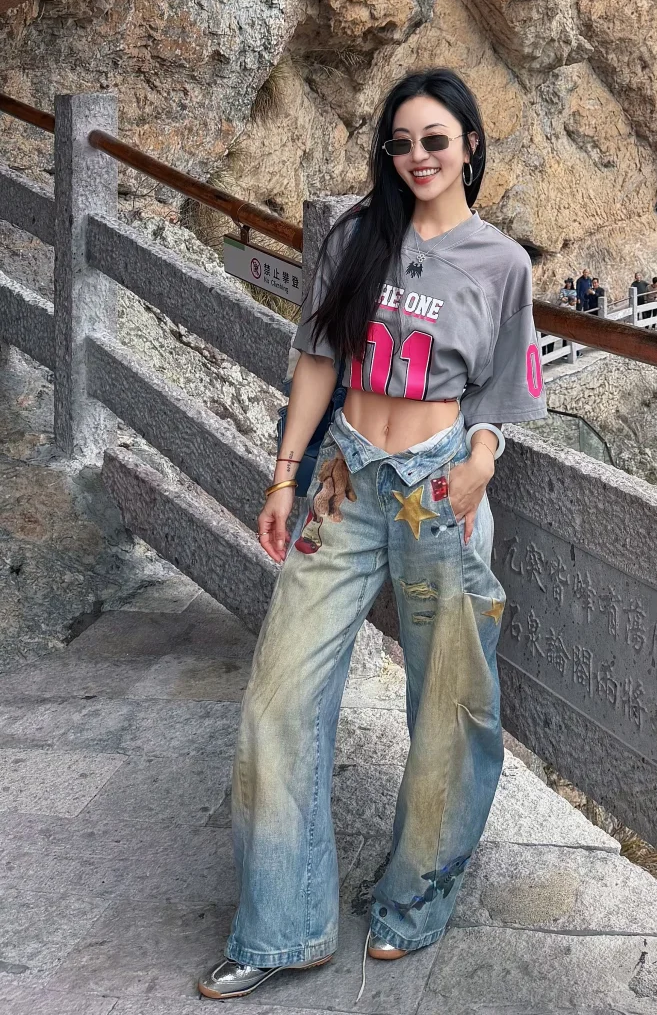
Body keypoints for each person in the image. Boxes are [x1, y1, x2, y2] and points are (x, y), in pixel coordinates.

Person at [198, 68, 548, 1000]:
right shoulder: (356, 235)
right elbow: (318, 358)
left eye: (435, 140)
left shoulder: (502, 263)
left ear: (470, 144)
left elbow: (503, 387)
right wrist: (285, 474)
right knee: (278, 693)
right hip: (344, 480)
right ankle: (284, 927)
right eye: (401, 143)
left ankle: (413, 903)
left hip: (440, 492)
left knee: (450, 705)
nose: (417, 157)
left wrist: (481, 460)